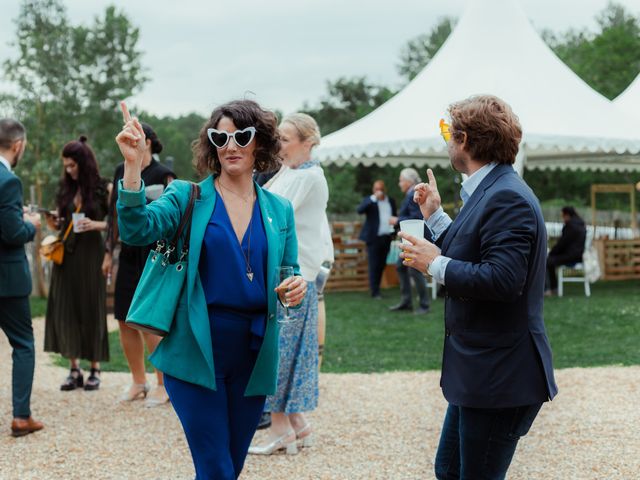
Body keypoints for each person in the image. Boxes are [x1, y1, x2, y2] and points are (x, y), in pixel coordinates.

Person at [115, 100, 306, 480]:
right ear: (212, 145)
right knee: (215, 467)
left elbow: (290, 272)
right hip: (196, 350)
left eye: (242, 136)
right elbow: (136, 230)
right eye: (221, 136)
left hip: (253, 355)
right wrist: (133, 167)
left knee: (231, 465)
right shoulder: (188, 196)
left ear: (260, 144)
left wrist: (294, 286)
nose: (231, 145)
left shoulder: (279, 209)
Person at [398, 95, 558, 479]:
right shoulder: (489, 189)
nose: (446, 142)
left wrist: (433, 263)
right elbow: (473, 245)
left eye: (447, 133)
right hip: (481, 370)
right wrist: (435, 216)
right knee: (449, 470)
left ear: (465, 139)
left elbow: (502, 280)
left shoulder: (507, 196)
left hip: (500, 373)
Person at [249, 113, 328, 455]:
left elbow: (268, 211)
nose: (277, 144)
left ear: (307, 143)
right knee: (287, 351)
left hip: (293, 280)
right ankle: (297, 424)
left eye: (284, 139)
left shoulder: (309, 177)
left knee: (279, 353)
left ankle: (280, 428)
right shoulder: (290, 172)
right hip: (286, 277)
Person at [103, 123, 176, 406]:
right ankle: (138, 381)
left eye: (136, 138)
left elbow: (174, 216)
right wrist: (108, 253)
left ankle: (163, 383)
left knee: (150, 321)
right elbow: (112, 215)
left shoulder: (164, 174)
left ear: (146, 141)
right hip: (128, 253)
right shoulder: (122, 171)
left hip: (155, 253)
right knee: (124, 318)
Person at [44, 136, 111, 391]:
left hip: (90, 254)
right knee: (66, 309)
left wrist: (96, 224)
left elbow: (116, 224)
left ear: (84, 163)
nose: (69, 170)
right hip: (66, 255)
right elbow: (62, 221)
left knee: (91, 308)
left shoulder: (102, 188)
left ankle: (95, 368)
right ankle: (74, 369)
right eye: (66, 166)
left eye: (73, 165)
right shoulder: (65, 189)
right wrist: (54, 222)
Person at [0, 118, 44, 437]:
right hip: (8, 280)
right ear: (18, 145)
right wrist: (31, 224)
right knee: (23, 345)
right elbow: (13, 232)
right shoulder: (8, 181)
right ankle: (21, 417)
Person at [389, 168, 430, 314]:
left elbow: (416, 218)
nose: (399, 183)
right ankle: (406, 301)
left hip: (414, 240)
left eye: (401, 180)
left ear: (408, 181)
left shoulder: (413, 194)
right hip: (410, 240)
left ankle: (424, 305)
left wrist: (396, 220)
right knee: (401, 267)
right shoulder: (411, 193)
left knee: (414, 271)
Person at [357, 180, 397, 299]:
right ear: (373, 190)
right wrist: (374, 198)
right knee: (374, 265)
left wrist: (395, 231)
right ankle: (375, 292)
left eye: (380, 189)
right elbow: (360, 210)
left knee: (382, 264)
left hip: (387, 237)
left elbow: (395, 216)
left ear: (384, 190)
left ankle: (377, 288)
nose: (378, 191)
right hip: (373, 238)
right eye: (376, 189)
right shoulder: (370, 200)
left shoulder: (390, 201)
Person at [545, 206, 587, 295]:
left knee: (547, 261)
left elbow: (562, 244)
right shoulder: (580, 224)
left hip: (571, 256)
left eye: (563, 216)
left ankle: (550, 289)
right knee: (550, 260)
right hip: (578, 255)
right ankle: (553, 288)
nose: (563, 218)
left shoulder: (570, 226)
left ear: (567, 215)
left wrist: (551, 253)